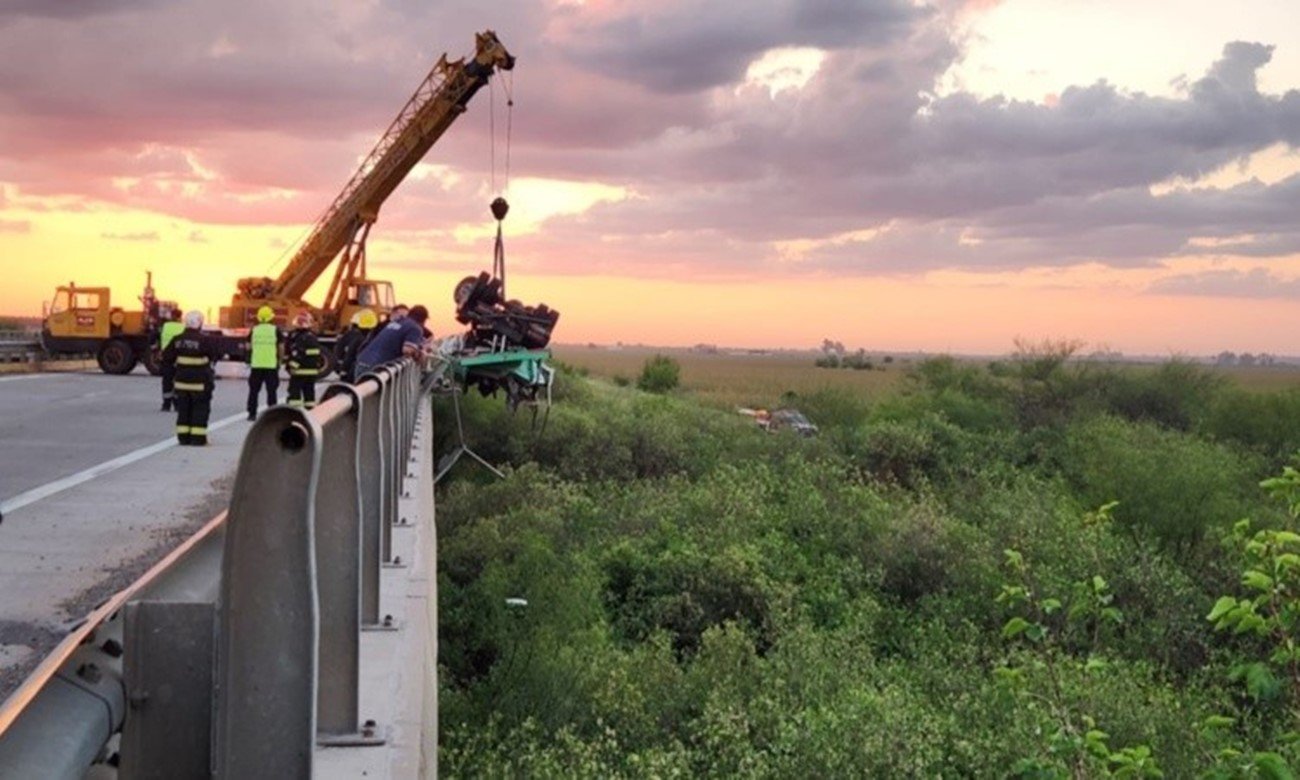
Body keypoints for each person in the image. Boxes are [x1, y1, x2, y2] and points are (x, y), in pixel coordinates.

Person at [162, 310, 220, 446]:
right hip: (200, 384)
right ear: (199, 324)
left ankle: (183, 438)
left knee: (183, 411)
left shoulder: (177, 339)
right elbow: (214, 355)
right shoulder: (204, 340)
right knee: (200, 411)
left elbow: (166, 357)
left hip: (181, 383)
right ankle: (197, 439)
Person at [355, 304, 429, 377]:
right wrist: (420, 354)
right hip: (375, 367)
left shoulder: (398, 322)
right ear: (423, 319)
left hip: (362, 361)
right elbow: (407, 350)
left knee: (360, 388)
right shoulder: (415, 328)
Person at [246, 305, 282, 421]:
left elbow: (248, 347)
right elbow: (281, 347)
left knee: (253, 391)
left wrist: (250, 358)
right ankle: (272, 415)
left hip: (256, 365)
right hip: (271, 365)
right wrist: (280, 360)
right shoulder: (275, 330)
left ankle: (252, 414)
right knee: (271, 391)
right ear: (271, 317)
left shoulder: (254, 330)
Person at [285, 312, 324, 409]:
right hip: (312, 372)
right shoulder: (313, 337)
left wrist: (291, 366)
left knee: (294, 392)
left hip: (299, 371)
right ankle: (310, 411)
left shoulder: (299, 337)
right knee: (309, 392)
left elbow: (298, 354)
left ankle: (295, 411)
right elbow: (317, 355)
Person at [335, 309, 377, 384]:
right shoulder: (366, 337)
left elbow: (344, 351)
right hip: (356, 369)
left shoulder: (353, 335)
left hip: (350, 369)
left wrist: (343, 369)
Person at [157, 309, 184, 412]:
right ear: (180, 316)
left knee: (167, 382)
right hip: (179, 359)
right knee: (178, 382)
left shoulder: (165, 326)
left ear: (171, 315)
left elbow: (154, 337)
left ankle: (166, 405)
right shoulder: (183, 327)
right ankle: (177, 405)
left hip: (167, 358)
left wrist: (156, 349)